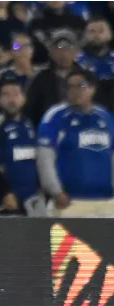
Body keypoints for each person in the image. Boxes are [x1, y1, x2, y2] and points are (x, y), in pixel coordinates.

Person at [37, 69, 114, 218]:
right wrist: (56, 191)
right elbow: (45, 158)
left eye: (81, 85)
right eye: (70, 86)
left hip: (106, 201)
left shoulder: (105, 116)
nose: (75, 91)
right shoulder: (55, 116)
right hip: (71, 201)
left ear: (93, 88)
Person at [0, 79, 41, 216]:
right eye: (6, 95)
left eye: (15, 94)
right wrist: (5, 192)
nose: (11, 99)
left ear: (24, 99)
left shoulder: (30, 124)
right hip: (8, 199)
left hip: (32, 197)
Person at [26, 29, 81, 126]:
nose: (63, 52)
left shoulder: (85, 77)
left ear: (76, 52)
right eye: (58, 47)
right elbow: (29, 110)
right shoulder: (39, 79)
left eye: (68, 47)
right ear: (51, 52)